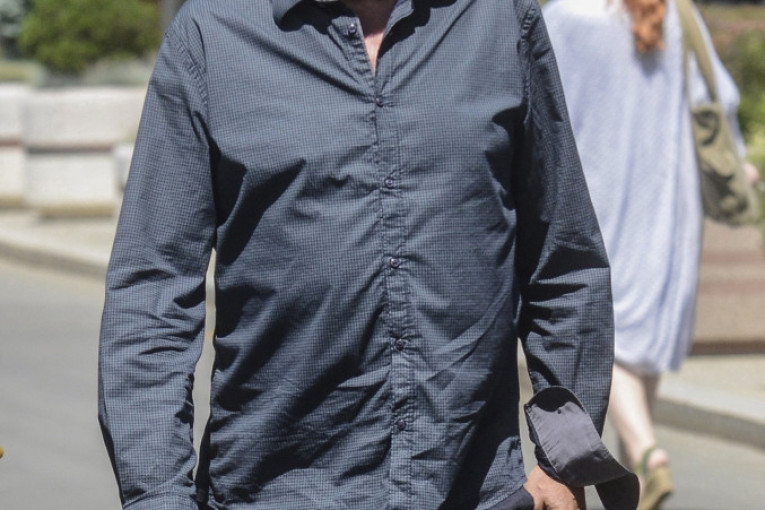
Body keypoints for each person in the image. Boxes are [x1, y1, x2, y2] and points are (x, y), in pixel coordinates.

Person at [98, 1, 637, 509]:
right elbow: (151, 293)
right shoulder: (211, 33)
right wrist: (158, 496)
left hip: (476, 492)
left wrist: (563, 464)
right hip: (274, 493)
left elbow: (565, 263)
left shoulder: (498, 21)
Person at [542, 1, 750, 509]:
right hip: (667, 202)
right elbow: (718, 97)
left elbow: (537, 108)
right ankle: (639, 466)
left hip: (595, 198)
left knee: (605, 331)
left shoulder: (567, 16)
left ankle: (646, 453)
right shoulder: (675, 13)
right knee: (645, 336)